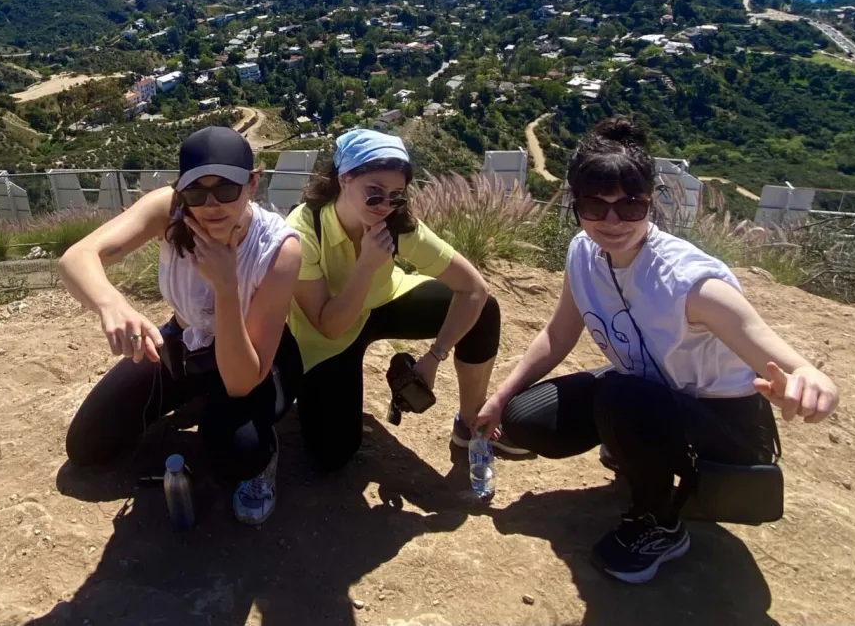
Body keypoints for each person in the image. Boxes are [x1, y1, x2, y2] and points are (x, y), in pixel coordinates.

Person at [476, 117, 840, 584]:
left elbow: (775, 350)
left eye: (631, 205)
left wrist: (811, 380)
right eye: (594, 205)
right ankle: (637, 450)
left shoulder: (691, 283)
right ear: (575, 205)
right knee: (526, 419)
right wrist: (501, 397)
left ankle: (660, 522)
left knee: (622, 395)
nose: (612, 222)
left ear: (651, 202)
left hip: (723, 430)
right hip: (650, 393)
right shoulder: (584, 252)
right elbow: (558, 334)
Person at [58, 126, 302, 526]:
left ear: (252, 184)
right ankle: (200, 398)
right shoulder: (169, 211)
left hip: (255, 360)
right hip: (188, 342)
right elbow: (77, 257)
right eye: (196, 192)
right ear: (180, 190)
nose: (211, 204)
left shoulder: (278, 248)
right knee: (87, 446)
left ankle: (263, 455)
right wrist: (111, 304)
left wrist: (226, 287)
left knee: (237, 453)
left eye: (226, 189)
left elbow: (242, 381)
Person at [287, 128, 524, 471]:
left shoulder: (397, 225)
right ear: (344, 178)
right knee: (332, 455)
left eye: (396, 196)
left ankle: (471, 420)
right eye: (375, 192)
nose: (385, 205)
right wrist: (366, 265)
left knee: (484, 311)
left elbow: (474, 289)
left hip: (384, 301)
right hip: (328, 335)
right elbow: (329, 327)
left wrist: (434, 357)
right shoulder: (304, 229)